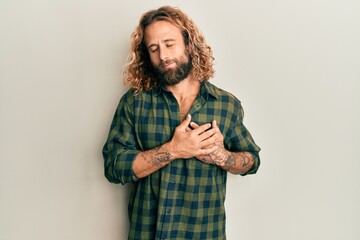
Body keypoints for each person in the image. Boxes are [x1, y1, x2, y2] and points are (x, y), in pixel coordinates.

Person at [102, 5, 261, 240]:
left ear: (188, 43)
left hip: (204, 233)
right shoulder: (134, 103)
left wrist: (222, 156)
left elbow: (252, 161)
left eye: (169, 44)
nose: (163, 56)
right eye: (153, 49)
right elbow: (114, 167)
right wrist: (173, 150)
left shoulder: (226, 104)